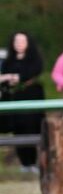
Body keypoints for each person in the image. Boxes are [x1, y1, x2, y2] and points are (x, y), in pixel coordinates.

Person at [0, 32, 45, 171]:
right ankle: (24, 163)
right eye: (16, 41)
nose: (19, 44)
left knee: (33, 127)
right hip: (14, 98)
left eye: (22, 41)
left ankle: (33, 162)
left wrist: (12, 77)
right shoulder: (8, 61)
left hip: (32, 96)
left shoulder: (35, 60)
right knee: (18, 128)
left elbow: (30, 74)